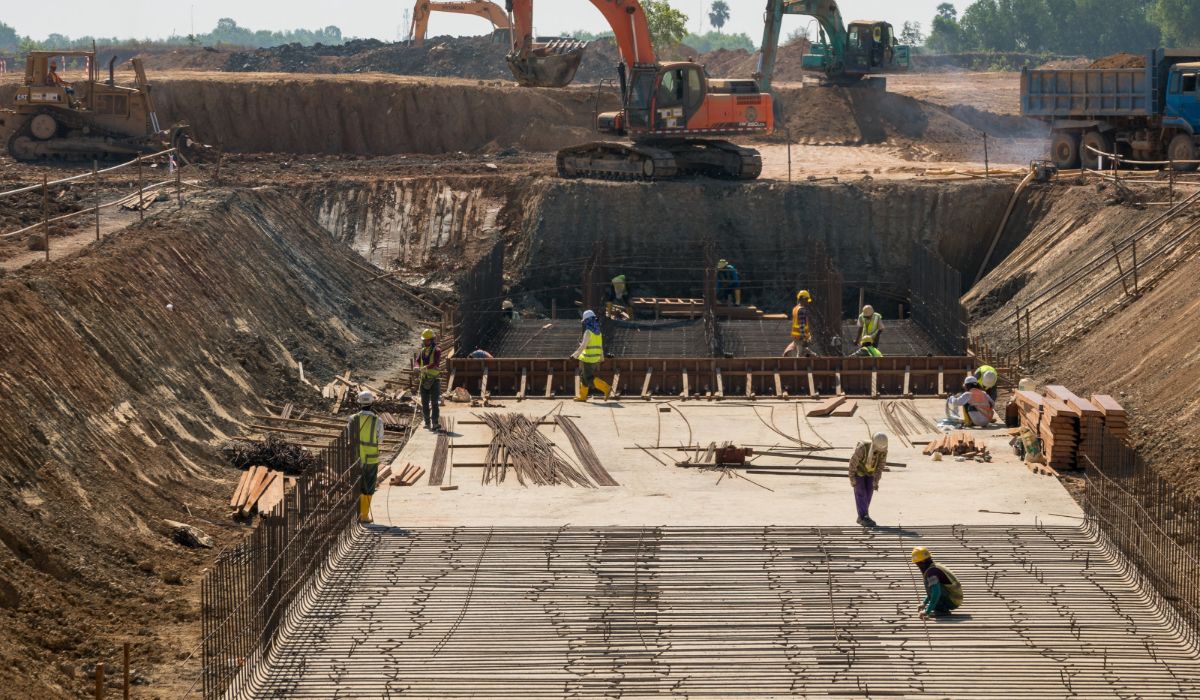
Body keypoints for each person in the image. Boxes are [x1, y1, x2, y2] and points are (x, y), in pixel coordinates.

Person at [347, 390, 382, 524]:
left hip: (356, 458)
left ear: (359, 402)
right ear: (372, 402)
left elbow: (348, 438)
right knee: (368, 487)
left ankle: (357, 514)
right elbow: (380, 439)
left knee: (357, 485)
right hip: (371, 458)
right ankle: (364, 515)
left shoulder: (352, 419)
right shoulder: (377, 420)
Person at [848, 433, 888, 527]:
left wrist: (876, 480)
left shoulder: (883, 449)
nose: (879, 451)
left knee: (869, 493)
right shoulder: (863, 448)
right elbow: (853, 463)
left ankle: (862, 516)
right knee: (861, 493)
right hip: (859, 472)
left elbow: (881, 466)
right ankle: (863, 517)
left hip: (871, 473)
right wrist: (852, 478)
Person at [912, 547, 963, 619]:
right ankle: (940, 608)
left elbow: (936, 592)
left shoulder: (931, 573)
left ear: (922, 562)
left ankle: (941, 610)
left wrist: (927, 611)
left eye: (917, 564)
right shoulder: (935, 567)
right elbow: (933, 590)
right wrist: (924, 603)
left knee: (930, 583)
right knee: (932, 584)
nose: (918, 567)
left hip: (953, 600)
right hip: (955, 597)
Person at [571, 310, 611, 402]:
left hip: (587, 359)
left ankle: (606, 388)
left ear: (587, 321)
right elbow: (600, 346)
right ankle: (583, 396)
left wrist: (574, 355)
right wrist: (602, 358)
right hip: (595, 359)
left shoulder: (588, 332)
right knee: (583, 377)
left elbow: (583, 346)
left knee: (588, 378)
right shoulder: (598, 333)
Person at [413, 328, 442, 430]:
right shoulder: (422, 351)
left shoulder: (437, 350)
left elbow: (436, 363)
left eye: (426, 340)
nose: (425, 342)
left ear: (431, 340)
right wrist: (416, 367)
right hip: (424, 379)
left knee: (434, 402)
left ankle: (435, 423)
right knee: (424, 402)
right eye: (424, 340)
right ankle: (427, 422)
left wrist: (426, 367)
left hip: (434, 379)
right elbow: (417, 361)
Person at [783, 290, 814, 357]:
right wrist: (804, 338)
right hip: (800, 337)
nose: (808, 302)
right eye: (807, 300)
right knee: (800, 355)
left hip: (796, 336)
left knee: (806, 353)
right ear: (802, 299)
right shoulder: (802, 309)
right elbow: (801, 325)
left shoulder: (795, 308)